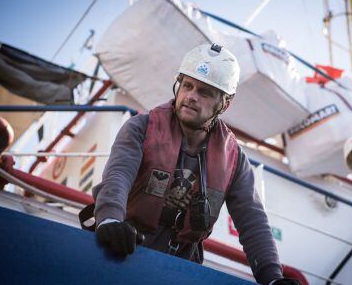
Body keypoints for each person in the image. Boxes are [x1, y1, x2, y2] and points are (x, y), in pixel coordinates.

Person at [91, 43, 298, 285]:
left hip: (181, 270)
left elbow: (253, 221)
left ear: (224, 103)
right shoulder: (141, 127)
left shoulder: (234, 158)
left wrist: (273, 278)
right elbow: (118, 176)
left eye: (205, 92)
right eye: (187, 85)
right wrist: (110, 220)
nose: (191, 96)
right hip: (124, 253)